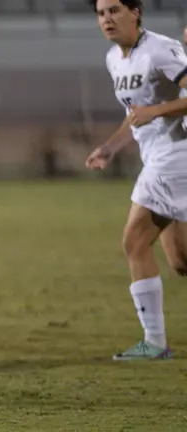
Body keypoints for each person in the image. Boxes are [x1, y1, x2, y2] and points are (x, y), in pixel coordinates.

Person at [86, 0, 187, 360]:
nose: (107, 19)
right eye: (101, 13)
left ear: (136, 12)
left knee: (134, 242)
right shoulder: (115, 59)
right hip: (160, 160)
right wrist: (111, 148)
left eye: (115, 10)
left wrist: (157, 110)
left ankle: (155, 342)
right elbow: (135, 116)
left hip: (175, 158)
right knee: (181, 261)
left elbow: (155, 110)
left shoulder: (161, 50)